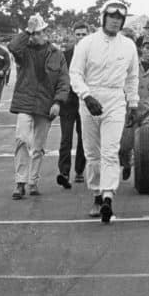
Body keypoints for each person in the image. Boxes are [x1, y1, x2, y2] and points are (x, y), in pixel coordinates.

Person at [69, 0, 139, 223]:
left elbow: (132, 77)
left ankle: (108, 196)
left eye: (120, 18)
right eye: (112, 16)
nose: (115, 21)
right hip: (90, 98)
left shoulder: (129, 45)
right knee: (92, 152)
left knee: (110, 151)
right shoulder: (86, 43)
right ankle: (97, 194)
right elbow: (75, 74)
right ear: (103, 17)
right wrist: (86, 96)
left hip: (116, 99)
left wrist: (134, 103)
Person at [8, 13, 69, 198]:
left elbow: (63, 80)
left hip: (45, 104)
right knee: (21, 139)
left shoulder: (57, 54)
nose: (35, 36)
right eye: (33, 33)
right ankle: (20, 182)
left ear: (45, 32)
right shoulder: (24, 50)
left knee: (38, 146)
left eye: (38, 32)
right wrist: (27, 30)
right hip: (25, 103)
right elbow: (13, 47)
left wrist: (58, 102)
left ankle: (33, 181)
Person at [119, 34, 149, 180]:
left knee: (148, 146)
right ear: (141, 49)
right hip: (131, 112)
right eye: (147, 48)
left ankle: (145, 176)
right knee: (124, 146)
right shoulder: (131, 66)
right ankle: (127, 164)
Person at [56, 22, 89, 188]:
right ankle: (64, 171)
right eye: (78, 34)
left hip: (85, 102)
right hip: (68, 103)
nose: (81, 37)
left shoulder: (93, 55)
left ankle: (79, 171)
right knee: (65, 139)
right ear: (73, 35)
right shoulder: (65, 55)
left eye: (84, 34)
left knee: (84, 139)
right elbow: (60, 78)